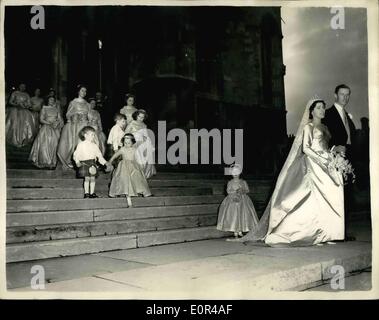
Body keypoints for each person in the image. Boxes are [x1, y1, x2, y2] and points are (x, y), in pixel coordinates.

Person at [240, 98, 345, 247]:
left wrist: (334, 154)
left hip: (327, 163)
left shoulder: (325, 127)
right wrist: (323, 159)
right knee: (312, 199)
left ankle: (326, 233)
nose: (322, 110)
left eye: (323, 108)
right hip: (313, 164)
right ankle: (313, 233)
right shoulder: (308, 127)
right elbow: (306, 148)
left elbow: (325, 145)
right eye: (319, 108)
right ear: (312, 111)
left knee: (328, 198)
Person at [323, 84, 356, 241]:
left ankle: (342, 232)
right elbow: (321, 137)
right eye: (342, 94)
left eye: (348, 94)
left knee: (347, 196)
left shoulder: (347, 116)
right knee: (335, 195)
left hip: (348, 160)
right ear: (335, 95)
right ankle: (333, 232)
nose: (345, 97)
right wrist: (334, 148)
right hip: (334, 160)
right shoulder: (328, 114)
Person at [108, 133, 152, 207]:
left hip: (133, 166)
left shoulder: (135, 149)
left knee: (137, 177)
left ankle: (141, 191)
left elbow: (139, 158)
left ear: (132, 143)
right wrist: (109, 161)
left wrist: (141, 165)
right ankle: (128, 199)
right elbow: (115, 156)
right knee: (125, 180)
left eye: (129, 143)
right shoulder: (122, 149)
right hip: (124, 166)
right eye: (125, 143)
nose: (127, 144)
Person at [217, 164, 259, 240]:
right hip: (232, 199)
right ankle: (235, 231)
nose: (235, 174)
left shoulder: (243, 182)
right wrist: (233, 194)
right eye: (233, 173)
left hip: (243, 200)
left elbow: (247, 190)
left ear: (240, 172)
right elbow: (228, 190)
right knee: (234, 214)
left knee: (242, 214)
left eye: (237, 172)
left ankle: (241, 230)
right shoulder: (230, 182)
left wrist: (242, 190)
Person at [57, 85, 90, 170]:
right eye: (82, 90)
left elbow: (89, 115)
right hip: (75, 126)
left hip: (84, 125)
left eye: (85, 91)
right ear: (78, 91)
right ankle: (72, 161)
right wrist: (74, 116)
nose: (84, 92)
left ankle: (84, 161)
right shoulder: (73, 102)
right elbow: (68, 114)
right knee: (74, 143)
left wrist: (87, 119)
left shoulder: (87, 104)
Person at [73, 126, 111, 198]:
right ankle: (86, 193)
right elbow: (76, 154)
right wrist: (77, 161)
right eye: (91, 134)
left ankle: (92, 193)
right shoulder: (81, 144)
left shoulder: (94, 145)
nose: (93, 136)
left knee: (93, 178)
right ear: (85, 135)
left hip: (92, 163)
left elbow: (99, 155)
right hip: (84, 163)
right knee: (87, 178)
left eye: (94, 134)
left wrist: (105, 162)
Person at [29, 96, 64, 169]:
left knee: (55, 144)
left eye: (53, 100)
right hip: (46, 127)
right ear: (47, 101)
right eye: (50, 99)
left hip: (55, 128)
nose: (52, 101)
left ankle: (53, 162)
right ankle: (44, 161)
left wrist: (57, 122)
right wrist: (49, 123)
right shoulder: (44, 108)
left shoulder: (56, 109)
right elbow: (41, 119)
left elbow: (60, 118)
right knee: (45, 144)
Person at [125, 109, 156, 179]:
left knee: (148, 151)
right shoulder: (131, 124)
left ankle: (144, 173)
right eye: (139, 117)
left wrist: (146, 140)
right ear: (136, 116)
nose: (141, 119)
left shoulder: (144, 125)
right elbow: (126, 134)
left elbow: (146, 136)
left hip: (142, 142)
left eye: (142, 117)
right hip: (133, 142)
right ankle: (136, 172)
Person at [5, 83, 36, 147]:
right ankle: (14, 139)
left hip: (24, 111)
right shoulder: (15, 93)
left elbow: (29, 103)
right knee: (14, 124)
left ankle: (23, 139)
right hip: (15, 110)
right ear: (19, 86)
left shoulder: (26, 94)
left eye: (24, 86)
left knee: (25, 123)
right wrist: (17, 104)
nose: (23, 87)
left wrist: (26, 105)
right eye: (21, 86)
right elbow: (10, 101)